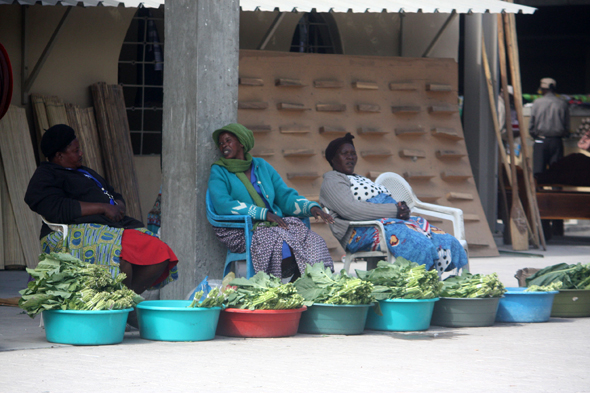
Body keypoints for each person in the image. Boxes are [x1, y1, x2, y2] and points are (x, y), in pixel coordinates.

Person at [25, 124, 178, 296]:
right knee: (122, 261)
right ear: (59, 156)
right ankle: (119, 307)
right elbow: (52, 206)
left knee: (161, 253)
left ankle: (125, 299)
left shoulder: (85, 172)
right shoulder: (46, 174)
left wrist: (118, 205)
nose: (81, 153)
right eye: (76, 151)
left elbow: (113, 193)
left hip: (113, 228)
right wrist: (102, 208)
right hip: (73, 232)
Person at [319, 133, 468, 275]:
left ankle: (438, 281)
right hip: (365, 229)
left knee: (444, 240)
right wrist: (394, 210)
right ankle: (419, 285)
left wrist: (401, 210)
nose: (350, 157)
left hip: (390, 221)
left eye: (353, 153)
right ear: (332, 158)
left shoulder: (358, 178)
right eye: (344, 153)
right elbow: (351, 210)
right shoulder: (332, 180)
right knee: (419, 243)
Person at [208, 123, 334, 280]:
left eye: (228, 140)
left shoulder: (262, 166)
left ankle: (314, 282)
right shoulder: (219, 170)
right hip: (242, 230)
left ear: (241, 142)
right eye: (221, 143)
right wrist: (264, 214)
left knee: (312, 240)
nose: (224, 146)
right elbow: (223, 204)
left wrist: (312, 208)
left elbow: (284, 196)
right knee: (280, 241)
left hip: (274, 225)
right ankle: (282, 284)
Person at [529, 77, 570, 178]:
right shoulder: (562, 103)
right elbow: (566, 125)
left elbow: (531, 125)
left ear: (542, 89)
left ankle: (538, 193)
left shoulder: (537, 103)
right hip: (557, 141)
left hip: (540, 140)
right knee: (557, 173)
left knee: (538, 173)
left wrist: (535, 136)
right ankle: (556, 193)